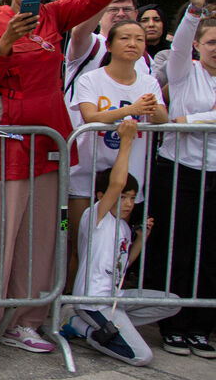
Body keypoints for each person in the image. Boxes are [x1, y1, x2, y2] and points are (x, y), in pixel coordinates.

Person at [0, 0, 116, 364]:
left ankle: (26, 323)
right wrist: (6, 43)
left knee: (44, 232)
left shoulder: (53, 15)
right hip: (2, 132)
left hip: (47, 136)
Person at [64, 118, 176, 366]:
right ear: (102, 196)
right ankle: (83, 327)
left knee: (173, 302)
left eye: (132, 199)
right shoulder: (96, 215)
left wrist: (141, 240)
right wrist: (126, 142)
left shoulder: (123, 227)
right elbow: (116, 183)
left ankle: (114, 327)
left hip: (116, 297)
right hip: (94, 301)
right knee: (142, 356)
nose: (128, 204)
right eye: (123, 197)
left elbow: (122, 265)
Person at [144, 0, 216, 358]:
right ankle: (172, 324)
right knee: (177, 248)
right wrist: (195, 10)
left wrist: (186, 121)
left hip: (214, 174)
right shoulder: (184, 70)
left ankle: (201, 326)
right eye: (211, 42)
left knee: (210, 251)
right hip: (179, 171)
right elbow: (181, 43)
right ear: (198, 46)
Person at [66, 19, 166, 284]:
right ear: (109, 45)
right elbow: (90, 116)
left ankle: (105, 298)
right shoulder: (90, 79)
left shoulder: (149, 83)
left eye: (139, 39)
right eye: (125, 38)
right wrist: (131, 110)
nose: (133, 44)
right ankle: (71, 302)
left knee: (112, 245)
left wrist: (152, 109)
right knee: (79, 244)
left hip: (127, 178)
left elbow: (163, 117)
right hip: (85, 175)